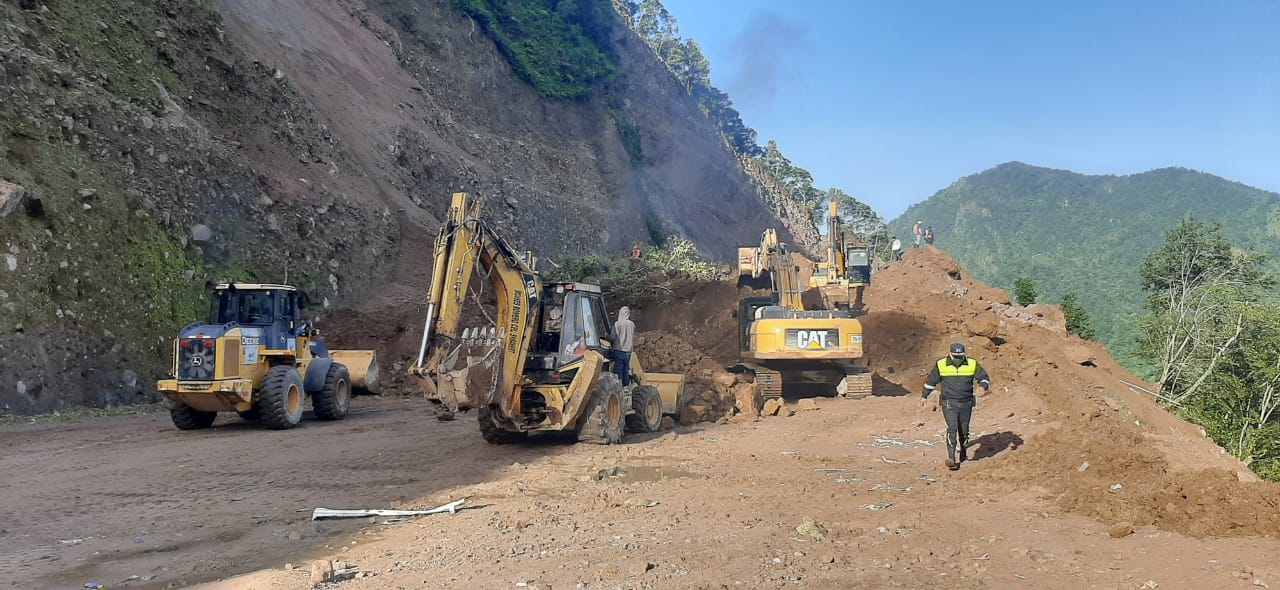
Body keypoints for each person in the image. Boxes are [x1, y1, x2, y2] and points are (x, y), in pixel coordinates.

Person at [920, 342, 991, 470]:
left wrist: (983, 386)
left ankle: (963, 452)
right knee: (952, 428)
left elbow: (984, 377)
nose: (958, 360)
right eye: (955, 357)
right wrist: (924, 396)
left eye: (960, 357)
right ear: (950, 354)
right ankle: (951, 458)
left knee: (963, 431)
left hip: (966, 402)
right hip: (949, 402)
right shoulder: (941, 365)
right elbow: (931, 381)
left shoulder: (972, 363)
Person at [613, 306, 635, 387]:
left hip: (619, 350)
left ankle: (619, 385)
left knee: (619, 368)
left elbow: (612, 337)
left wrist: (607, 336)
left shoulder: (617, 324)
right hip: (628, 351)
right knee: (626, 369)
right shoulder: (632, 324)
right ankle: (626, 386)